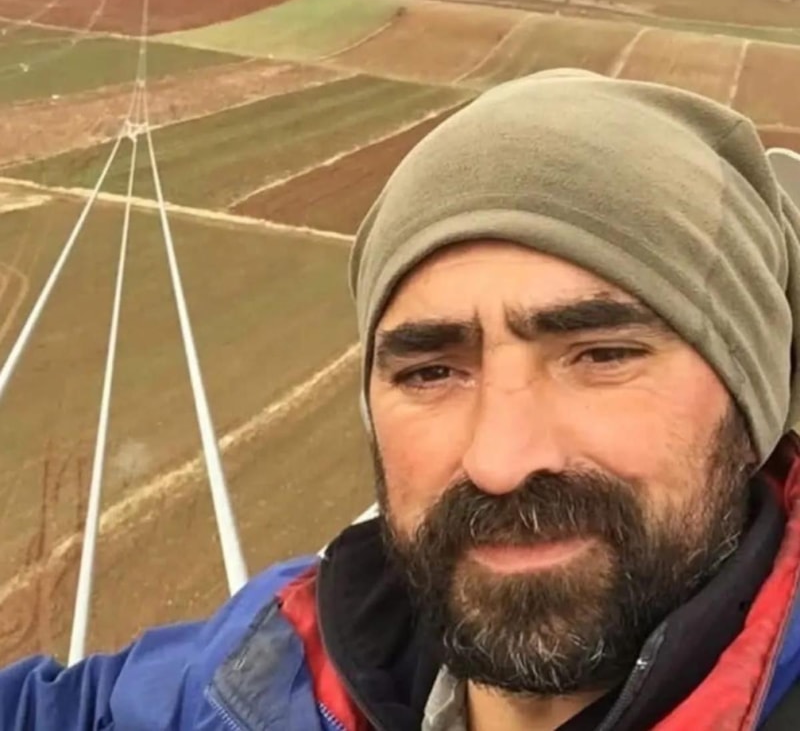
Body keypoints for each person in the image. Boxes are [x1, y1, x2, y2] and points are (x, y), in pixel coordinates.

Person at [2, 68, 800, 731]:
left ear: (751, 405)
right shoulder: (273, 659)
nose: (500, 460)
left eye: (602, 355)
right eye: (431, 372)